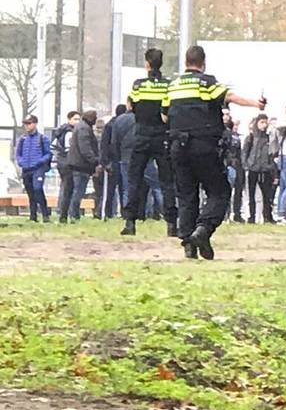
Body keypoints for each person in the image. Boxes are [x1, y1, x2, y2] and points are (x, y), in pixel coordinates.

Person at [165, 45, 265, 259]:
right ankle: (203, 229)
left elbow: (165, 115)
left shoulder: (173, 85)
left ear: (186, 62)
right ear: (203, 64)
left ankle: (189, 244)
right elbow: (230, 96)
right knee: (219, 191)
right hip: (203, 145)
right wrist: (255, 104)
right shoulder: (207, 82)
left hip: (178, 146)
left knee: (186, 195)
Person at [122, 48, 177, 237]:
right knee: (167, 181)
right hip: (162, 136)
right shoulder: (168, 86)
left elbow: (131, 105)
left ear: (147, 63)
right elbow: (168, 110)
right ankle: (171, 224)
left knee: (134, 179)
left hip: (142, 135)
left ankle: (130, 222)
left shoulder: (138, 85)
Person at [15, 115, 52, 223]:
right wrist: (21, 162)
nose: (27, 126)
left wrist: (39, 161)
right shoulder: (23, 139)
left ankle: (45, 214)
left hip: (38, 169)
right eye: (25, 123)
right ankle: (33, 215)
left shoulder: (42, 138)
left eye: (29, 123)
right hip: (26, 169)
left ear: (35, 124)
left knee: (38, 189)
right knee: (30, 193)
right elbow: (18, 153)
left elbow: (48, 154)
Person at [65, 110, 100, 221]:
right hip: (81, 166)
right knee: (78, 191)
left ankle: (72, 214)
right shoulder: (84, 129)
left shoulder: (80, 127)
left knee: (76, 191)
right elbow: (85, 149)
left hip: (77, 164)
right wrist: (95, 160)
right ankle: (74, 214)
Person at [242, 114, 277, 224]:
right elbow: (245, 152)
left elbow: (273, 154)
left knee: (267, 194)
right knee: (251, 194)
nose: (264, 125)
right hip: (253, 168)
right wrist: (246, 165)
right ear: (257, 123)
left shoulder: (269, 138)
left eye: (265, 122)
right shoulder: (251, 137)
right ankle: (251, 217)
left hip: (265, 169)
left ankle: (267, 216)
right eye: (262, 122)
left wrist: (271, 167)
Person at [99, 104, 131, 219]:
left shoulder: (110, 125)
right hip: (123, 159)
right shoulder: (128, 124)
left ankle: (107, 213)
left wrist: (105, 162)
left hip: (112, 161)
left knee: (110, 190)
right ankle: (124, 213)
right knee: (124, 188)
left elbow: (104, 145)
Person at [52, 111, 80, 223]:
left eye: (79, 119)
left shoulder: (60, 131)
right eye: (75, 119)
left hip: (61, 162)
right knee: (68, 188)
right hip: (68, 163)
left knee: (64, 187)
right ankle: (64, 213)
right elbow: (69, 149)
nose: (77, 121)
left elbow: (53, 146)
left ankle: (61, 211)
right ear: (69, 119)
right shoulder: (69, 132)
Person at [225, 117, 245, 223]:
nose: (236, 127)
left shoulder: (238, 138)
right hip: (229, 165)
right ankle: (226, 214)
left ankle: (237, 214)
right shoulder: (226, 136)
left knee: (238, 191)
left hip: (238, 165)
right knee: (227, 190)